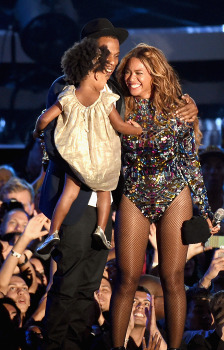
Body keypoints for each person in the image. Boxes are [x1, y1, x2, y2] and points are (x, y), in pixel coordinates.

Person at [39, 18, 199, 350]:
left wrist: (189, 108)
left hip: (123, 197)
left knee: (93, 281)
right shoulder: (69, 87)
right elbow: (60, 140)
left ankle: (79, 341)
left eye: (117, 54)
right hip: (85, 197)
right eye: (108, 54)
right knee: (74, 278)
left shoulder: (117, 93)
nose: (116, 63)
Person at [109, 43, 219, 350]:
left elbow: (191, 162)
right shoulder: (117, 106)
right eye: (127, 72)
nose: (131, 78)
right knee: (127, 277)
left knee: (173, 279)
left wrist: (205, 207)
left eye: (139, 73)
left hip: (174, 194)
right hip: (134, 193)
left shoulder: (179, 109)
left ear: (155, 75)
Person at [34, 37, 142, 254]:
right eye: (104, 74)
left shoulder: (67, 97)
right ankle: (102, 229)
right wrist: (137, 129)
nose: (107, 79)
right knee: (105, 193)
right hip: (102, 159)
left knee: (68, 193)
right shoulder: (105, 99)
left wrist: (37, 130)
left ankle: (53, 231)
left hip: (77, 159)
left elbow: (45, 119)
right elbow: (120, 125)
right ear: (94, 73)